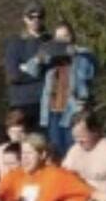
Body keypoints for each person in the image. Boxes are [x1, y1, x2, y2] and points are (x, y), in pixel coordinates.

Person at [23, 22, 95, 155]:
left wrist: (75, 55)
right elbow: (31, 70)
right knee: (55, 149)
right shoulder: (49, 56)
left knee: (74, 149)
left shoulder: (83, 55)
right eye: (59, 37)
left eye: (65, 36)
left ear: (72, 37)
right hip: (53, 110)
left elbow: (89, 73)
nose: (62, 40)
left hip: (74, 110)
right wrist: (38, 59)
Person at [3, 2, 49, 128]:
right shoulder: (14, 43)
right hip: (22, 102)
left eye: (39, 17)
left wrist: (27, 68)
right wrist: (40, 73)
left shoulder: (50, 42)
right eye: (31, 17)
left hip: (46, 102)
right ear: (24, 18)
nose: (35, 20)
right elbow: (13, 75)